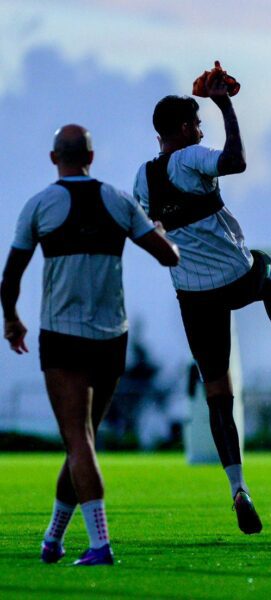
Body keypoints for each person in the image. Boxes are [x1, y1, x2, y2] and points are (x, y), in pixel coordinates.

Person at [133, 77, 271, 535]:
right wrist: (224, 106)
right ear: (184, 128)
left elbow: (149, 226)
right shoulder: (190, 157)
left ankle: (238, 487)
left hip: (192, 296)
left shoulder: (143, 176)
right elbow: (235, 161)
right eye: (197, 122)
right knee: (269, 269)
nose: (201, 129)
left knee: (218, 396)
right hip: (234, 278)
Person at [0, 124, 179, 566]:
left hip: (62, 334)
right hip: (111, 336)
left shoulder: (39, 204)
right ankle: (53, 538)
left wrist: (13, 320)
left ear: (53, 158)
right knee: (84, 439)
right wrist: (158, 229)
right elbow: (169, 255)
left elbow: (11, 275)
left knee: (78, 439)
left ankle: (100, 544)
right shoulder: (119, 200)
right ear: (92, 158)